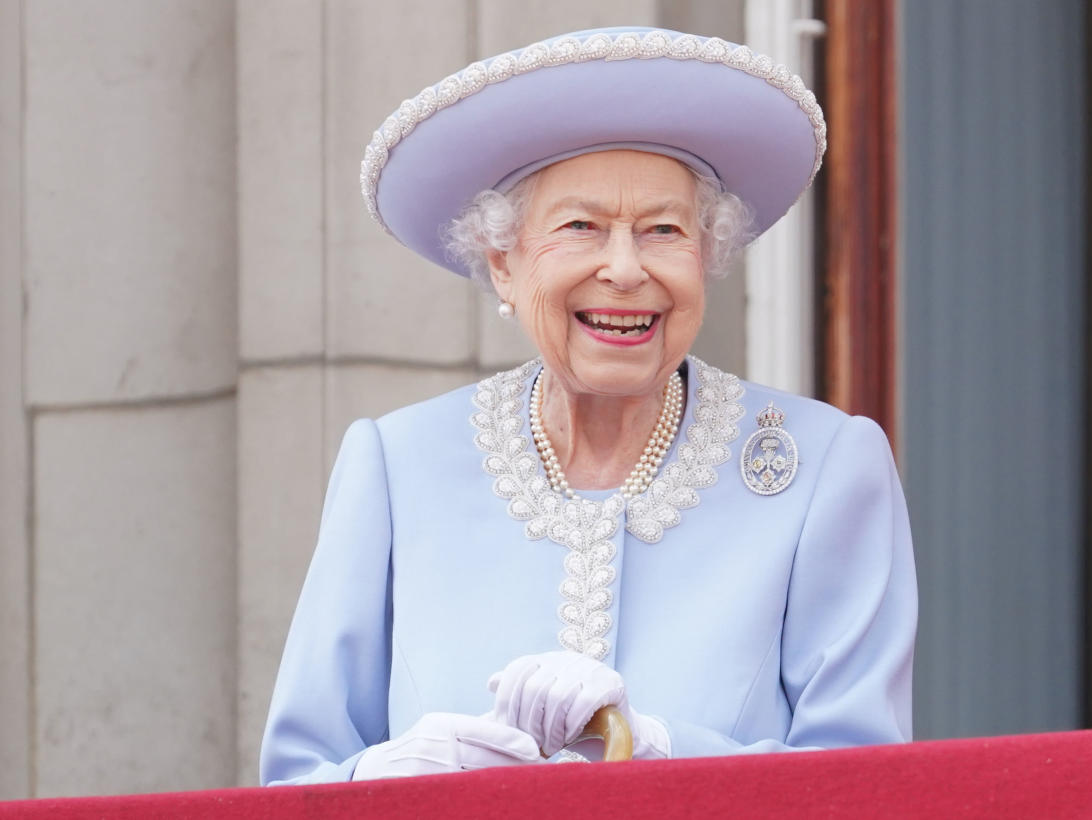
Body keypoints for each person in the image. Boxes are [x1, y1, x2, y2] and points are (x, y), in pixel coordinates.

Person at [260, 26, 916, 785]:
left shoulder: (827, 468)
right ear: (503, 264)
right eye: (581, 228)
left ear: (706, 257)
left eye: (663, 231)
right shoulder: (396, 466)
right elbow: (296, 781)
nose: (626, 269)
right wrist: (389, 775)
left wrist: (663, 748)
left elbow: (868, 785)